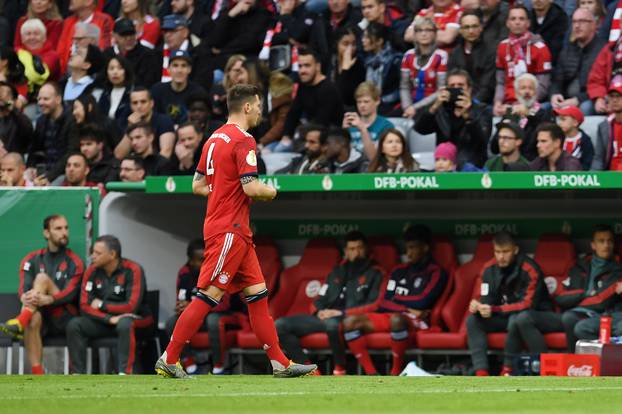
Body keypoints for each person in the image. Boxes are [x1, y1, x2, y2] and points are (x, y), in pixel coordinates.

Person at [155, 84, 318, 378]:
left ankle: (280, 362)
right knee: (208, 294)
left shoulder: (212, 140)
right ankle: (170, 356)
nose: (259, 111)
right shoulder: (244, 140)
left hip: (234, 229)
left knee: (257, 295)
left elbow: (197, 185)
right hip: (229, 229)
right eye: (257, 106)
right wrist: (272, 191)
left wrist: (223, 193)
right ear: (246, 107)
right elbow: (251, 186)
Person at [276, 231, 385, 375]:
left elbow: (374, 305)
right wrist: (318, 311)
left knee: (332, 324)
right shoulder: (337, 271)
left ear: (366, 249)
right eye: (352, 249)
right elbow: (320, 299)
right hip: (325, 318)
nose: (356, 253)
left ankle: (340, 368)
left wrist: (342, 313)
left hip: (350, 320)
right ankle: (310, 369)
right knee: (279, 325)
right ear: (346, 251)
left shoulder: (376, 273)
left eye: (360, 248)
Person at [343, 225, 447, 375]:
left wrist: (397, 300)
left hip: (416, 321)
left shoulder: (436, 272)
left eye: (412, 248)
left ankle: (395, 371)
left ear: (425, 248)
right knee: (349, 322)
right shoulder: (398, 271)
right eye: (407, 248)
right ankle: (371, 374)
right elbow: (384, 302)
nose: (408, 253)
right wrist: (406, 308)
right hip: (399, 314)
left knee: (397, 320)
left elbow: (423, 301)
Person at [0, 215, 84, 375]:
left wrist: (50, 299)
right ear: (46, 233)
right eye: (58, 229)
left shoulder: (75, 261)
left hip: (65, 317)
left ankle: (19, 321)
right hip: (40, 316)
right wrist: (24, 297)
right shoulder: (31, 259)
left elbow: (72, 293)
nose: (64, 232)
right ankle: (38, 375)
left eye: (66, 228)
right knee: (33, 318)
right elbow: (23, 288)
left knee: (41, 278)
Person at [467, 231, 552, 376]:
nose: (501, 256)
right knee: (473, 321)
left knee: (517, 319)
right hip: (502, 314)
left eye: (505, 251)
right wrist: (479, 306)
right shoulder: (489, 269)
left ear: (515, 250)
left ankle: (507, 369)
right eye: (497, 251)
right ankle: (481, 372)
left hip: (531, 316)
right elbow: (486, 297)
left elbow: (528, 304)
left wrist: (495, 309)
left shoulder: (529, 268)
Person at [66, 235, 153, 375]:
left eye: (97, 253)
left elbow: (131, 307)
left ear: (112, 254)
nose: (92, 256)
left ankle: (125, 373)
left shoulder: (133, 269)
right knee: (75, 324)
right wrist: (108, 318)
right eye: (93, 252)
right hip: (105, 321)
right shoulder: (91, 271)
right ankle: (77, 373)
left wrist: (101, 305)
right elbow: (84, 305)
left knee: (125, 323)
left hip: (136, 319)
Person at [164, 239, 240, 375]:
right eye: (200, 259)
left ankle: (219, 367)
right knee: (172, 322)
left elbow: (225, 304)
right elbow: (181, 298)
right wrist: (181, 307)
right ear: (191, 260)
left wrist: (195, 307)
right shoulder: (184, 273)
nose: (204, 263)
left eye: (207, 258)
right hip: (198, 316)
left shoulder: (219, 270)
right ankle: (190, 366)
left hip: (224, 314)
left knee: (213, 320)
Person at [556, 225, 622, 352]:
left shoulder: (618, 269)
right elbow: (561, 296)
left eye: (610, 241)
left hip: (602, 313)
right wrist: (585, 295)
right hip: (577, 310)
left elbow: (602, 301)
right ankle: (573, 362)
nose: (606, 245)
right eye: (601, 241)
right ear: (593, 245)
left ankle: (589, 363)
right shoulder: (580, 266)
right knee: (567, 318)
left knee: (574, 321)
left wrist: (577, 301)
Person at [415, 69, 490, 167]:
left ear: (469, 89)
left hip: (472, 167)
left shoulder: (482, 110)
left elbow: (483, 140)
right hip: (444, 166)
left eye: (460, 85)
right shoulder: (440, 110)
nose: (456, 89)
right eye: (452, 86)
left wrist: (468, 115)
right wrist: (434, 106)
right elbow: (421, 130)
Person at [493, 5, 552, 116]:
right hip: (508, 103)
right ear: (507, 23)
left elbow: (543, 85)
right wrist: (497, 102)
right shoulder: (502, 47)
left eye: (521, 19)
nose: (517, 22)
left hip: (532, 101)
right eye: (513, 19)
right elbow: (500, 82)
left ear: (528, 23)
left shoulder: (540, 48)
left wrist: (523, 104)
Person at [281, 48, 344, 150]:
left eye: (307, 66)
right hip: (308, 137)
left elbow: (321, 124)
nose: (302, 71)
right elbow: (293, 113)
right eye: (300, 66)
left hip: (326, 142)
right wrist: (286, 135)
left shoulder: (328, 89)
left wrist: (299, 134)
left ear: (318, 66)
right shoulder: (304, 85)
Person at [550, 9, 606, 116]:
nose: (577, 26)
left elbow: (602, 85)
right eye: (574, 22)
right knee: (544, 108)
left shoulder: (603, 50)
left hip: (589, 100)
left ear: (594, 25)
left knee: (586, 107)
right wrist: (555, 95)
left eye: (582, 21)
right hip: (565, 99)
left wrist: (578, 100)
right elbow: (557, 80)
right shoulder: (567, 50)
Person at [491, 73, 554, 161]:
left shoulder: (544, 113)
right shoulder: (510, 113)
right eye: (523, 88)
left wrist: (528, 114)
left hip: (533, 166)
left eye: (530, 88)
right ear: (516, 93)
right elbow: (494, 148)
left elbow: (546, 140)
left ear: (536, 93)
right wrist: (502, 129)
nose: (527, 91)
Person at [400, 16, 448, 119]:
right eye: (419, 30)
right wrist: (407, 108)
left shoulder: (441, 56)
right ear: (415, 35)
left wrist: (415, 108)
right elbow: (404, 86)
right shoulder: (408, 55)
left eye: (428, 30)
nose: (424, 33)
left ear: (435, 34)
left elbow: (441, 90)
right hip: (409, 107)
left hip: (434, 107)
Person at [203, 0, 272, 70]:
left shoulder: (263, 14)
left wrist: (222, 50)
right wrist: (230, 15)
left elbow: (250, 41)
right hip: (222, 62)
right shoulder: (229, 13)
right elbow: (212, 40)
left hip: (247, 62)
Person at [448, 11, 496, 105]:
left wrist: (472, 103)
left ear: (481, 28)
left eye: (474, 26)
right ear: (460, 30)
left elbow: (487, 86)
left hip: (483, 104)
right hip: (458, 102)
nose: (471, 31)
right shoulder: (455, 53)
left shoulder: (490, 52)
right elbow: (452, 81)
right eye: (466, 27)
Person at [114, 87, 176, 159]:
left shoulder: (164, 120)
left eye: (143, 102)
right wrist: (131, 127)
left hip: (157, 166)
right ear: (130, 106)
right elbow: (119, 155)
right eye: (135, 103)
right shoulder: (125, 122)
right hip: (133, 166)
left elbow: (166, 152)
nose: (139, 106)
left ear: (151, 103)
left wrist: (150, 168)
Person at [28, 82, 72, 182]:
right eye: (39, 99)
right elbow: (33, 149)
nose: (40, 103)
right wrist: (30, 167)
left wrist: (50, 177)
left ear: (58, 99)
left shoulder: (71, 120)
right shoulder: (41, 121)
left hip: (63, 173)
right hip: (43, 172)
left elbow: (70, 152)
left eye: (46, 99)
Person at [56, 0, 114, 73]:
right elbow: (60, 54)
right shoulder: (68, 22)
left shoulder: (104, 20)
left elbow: (102, 52)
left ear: (88, 1)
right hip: (67, 74)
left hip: (92, 73)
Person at [151, 50, 206, 126]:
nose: (179, 70)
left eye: (183, 66)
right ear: (168, 69)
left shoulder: (198, 92)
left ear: (189, 69)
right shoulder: (157, 90)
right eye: (175, 65)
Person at [102, 18, 160, 88]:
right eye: (123, 35)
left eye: (131, 34)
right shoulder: (107, 54)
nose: (129, 38)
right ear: (114, 35)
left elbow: (149, 82)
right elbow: (102, 78)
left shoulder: (148, 54)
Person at [343, 81, 394, 160]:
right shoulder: (350, 124)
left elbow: (373, 158)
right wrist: (343, 132)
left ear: (377, 101)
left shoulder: (386, 126)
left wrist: (363, 129)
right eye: (359, 102)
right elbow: (344, 158)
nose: (362, 105)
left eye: (366, 101)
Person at [309, 0, 362, 73]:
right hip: (324, 72)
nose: (335, 2)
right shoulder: (320, 19)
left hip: (352, 69)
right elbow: (313, 48)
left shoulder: (358, 19)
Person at [362, 22, 402, 115]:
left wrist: (382, 100)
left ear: (379, 41)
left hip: (389, 106)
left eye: (367, 37)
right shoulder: (367, 60)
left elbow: (401, 88)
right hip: (373, 104)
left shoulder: (395, 60)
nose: (363, 40)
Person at [16, 18, 61, 89]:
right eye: (28, 34)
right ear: (22, 39)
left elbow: (37, 75)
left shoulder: (52, 56)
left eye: (36, 34)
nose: (32, 37)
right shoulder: (16, 53)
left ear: (44, 37)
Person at [97, 55, 134, 134]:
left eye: (120, 68)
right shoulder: (105, 93)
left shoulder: (132, 93)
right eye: (111, 68)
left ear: (126, 71)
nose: (115, 72)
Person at [592, 78, 622, 170]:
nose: (615, 100)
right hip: (609, 179)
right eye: (612, 96)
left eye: (619, 96)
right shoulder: (604, 126)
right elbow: (598, 159)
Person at [332, 26, 366, 109]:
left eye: (353, 44)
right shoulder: (330, 61)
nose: (350, 49)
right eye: (345, 44)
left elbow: (342, 97)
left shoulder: (359, 65)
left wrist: (345, 69)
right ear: (337, 44)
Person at [555, 106, 594, 171]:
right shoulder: (557, 139)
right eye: (559, 119)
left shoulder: (585, 141)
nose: (560, 123)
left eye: (563, 119)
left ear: (575, 123)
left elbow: (587, 162)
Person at [0, 81, 33, 154]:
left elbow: (28, 132)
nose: (1, 95)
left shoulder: (19, 119)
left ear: (14, 99)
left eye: (5, 93)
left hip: (12, 160)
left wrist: (13, 109)